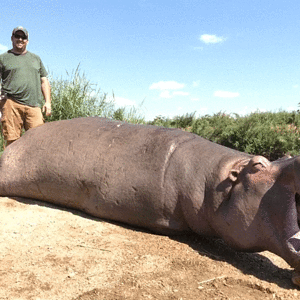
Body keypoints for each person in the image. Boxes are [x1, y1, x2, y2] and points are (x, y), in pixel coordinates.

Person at [0, 26, 51, 147]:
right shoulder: (3, 58)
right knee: (12, 143)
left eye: (23, 37)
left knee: (39, 141)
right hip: (11, 104)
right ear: (12, 38)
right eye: (17, 36)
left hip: (34, 105)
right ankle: (11, 166)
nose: (20, 39)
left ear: (27, 40)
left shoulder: (36, 59)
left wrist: (48, 102)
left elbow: (44, 81)